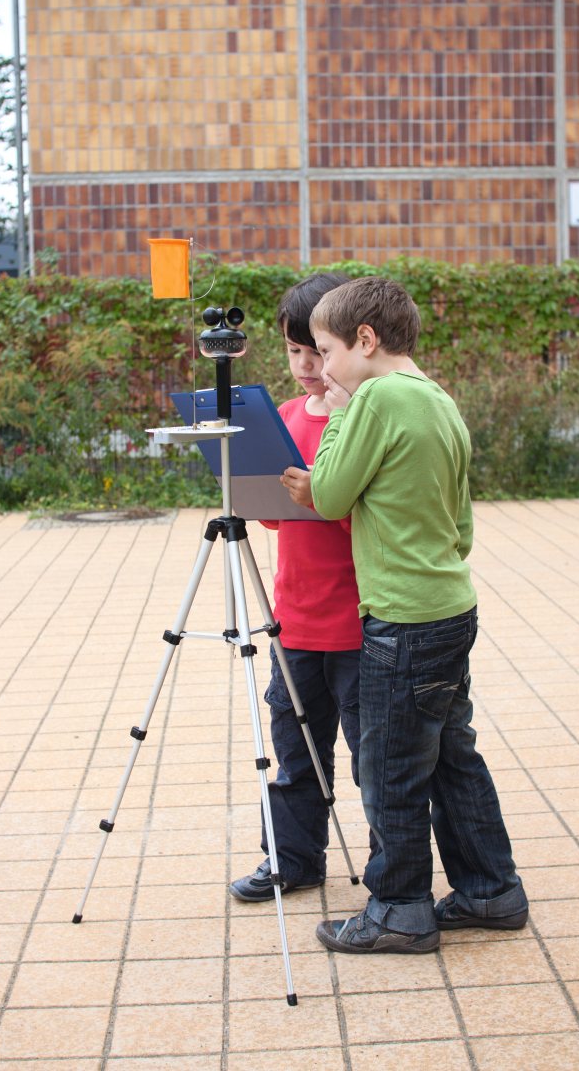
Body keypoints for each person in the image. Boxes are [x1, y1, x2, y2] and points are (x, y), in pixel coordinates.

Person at [308, 276, 529, 954]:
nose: (320, 368)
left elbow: (328, 493)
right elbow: (459, 524)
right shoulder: (439, 400)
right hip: (449, 608)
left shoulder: (373, 397)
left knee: (391, 767)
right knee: (450, 756)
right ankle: (491, 889)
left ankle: (399, 909)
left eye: (325, 350)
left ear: (365, 340)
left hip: (401, 621)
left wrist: (337, 409)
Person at [229, 271, 366, 901]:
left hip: (360, 622)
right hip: (294, 618)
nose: (306, 366)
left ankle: (393, 870)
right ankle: (293, 859)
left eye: (316, 351)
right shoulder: (283, 417)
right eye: (293, 351)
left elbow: (357, 512)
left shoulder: (360, 418)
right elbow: (275, 515)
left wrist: (321, 492)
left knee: (374, 760)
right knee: (294, 750)